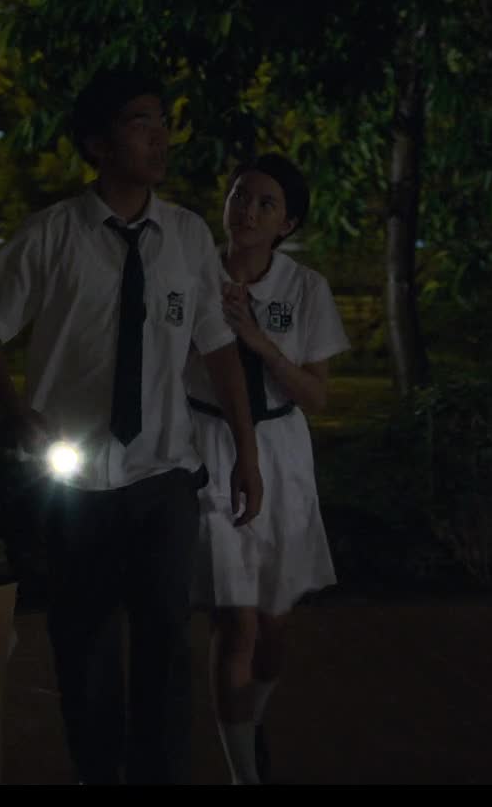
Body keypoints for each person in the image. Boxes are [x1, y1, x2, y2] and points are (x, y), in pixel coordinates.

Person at [0, 70, 262, 785]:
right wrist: (15, 411)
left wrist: (246, 453)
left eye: (162, 121)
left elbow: (218, 350)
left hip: (165, 473)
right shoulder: (54, 233)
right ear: (97, 144)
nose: (159, 137)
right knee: (85, 642)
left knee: (167, 643)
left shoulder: (185, 235)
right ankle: (97, 771)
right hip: (78, 478)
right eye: (140, 121)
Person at [183, 154, 351, 785]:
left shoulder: (304, 288)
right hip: (211, 444)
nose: (247, 212)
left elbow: (317, 395)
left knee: (274, 627)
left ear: (287, 223)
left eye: (265, 203)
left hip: (281, 448)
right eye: (239, 196)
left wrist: (261, 342)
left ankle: (250, 725)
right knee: (236, 619)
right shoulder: (192, 275)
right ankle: (243, 773)